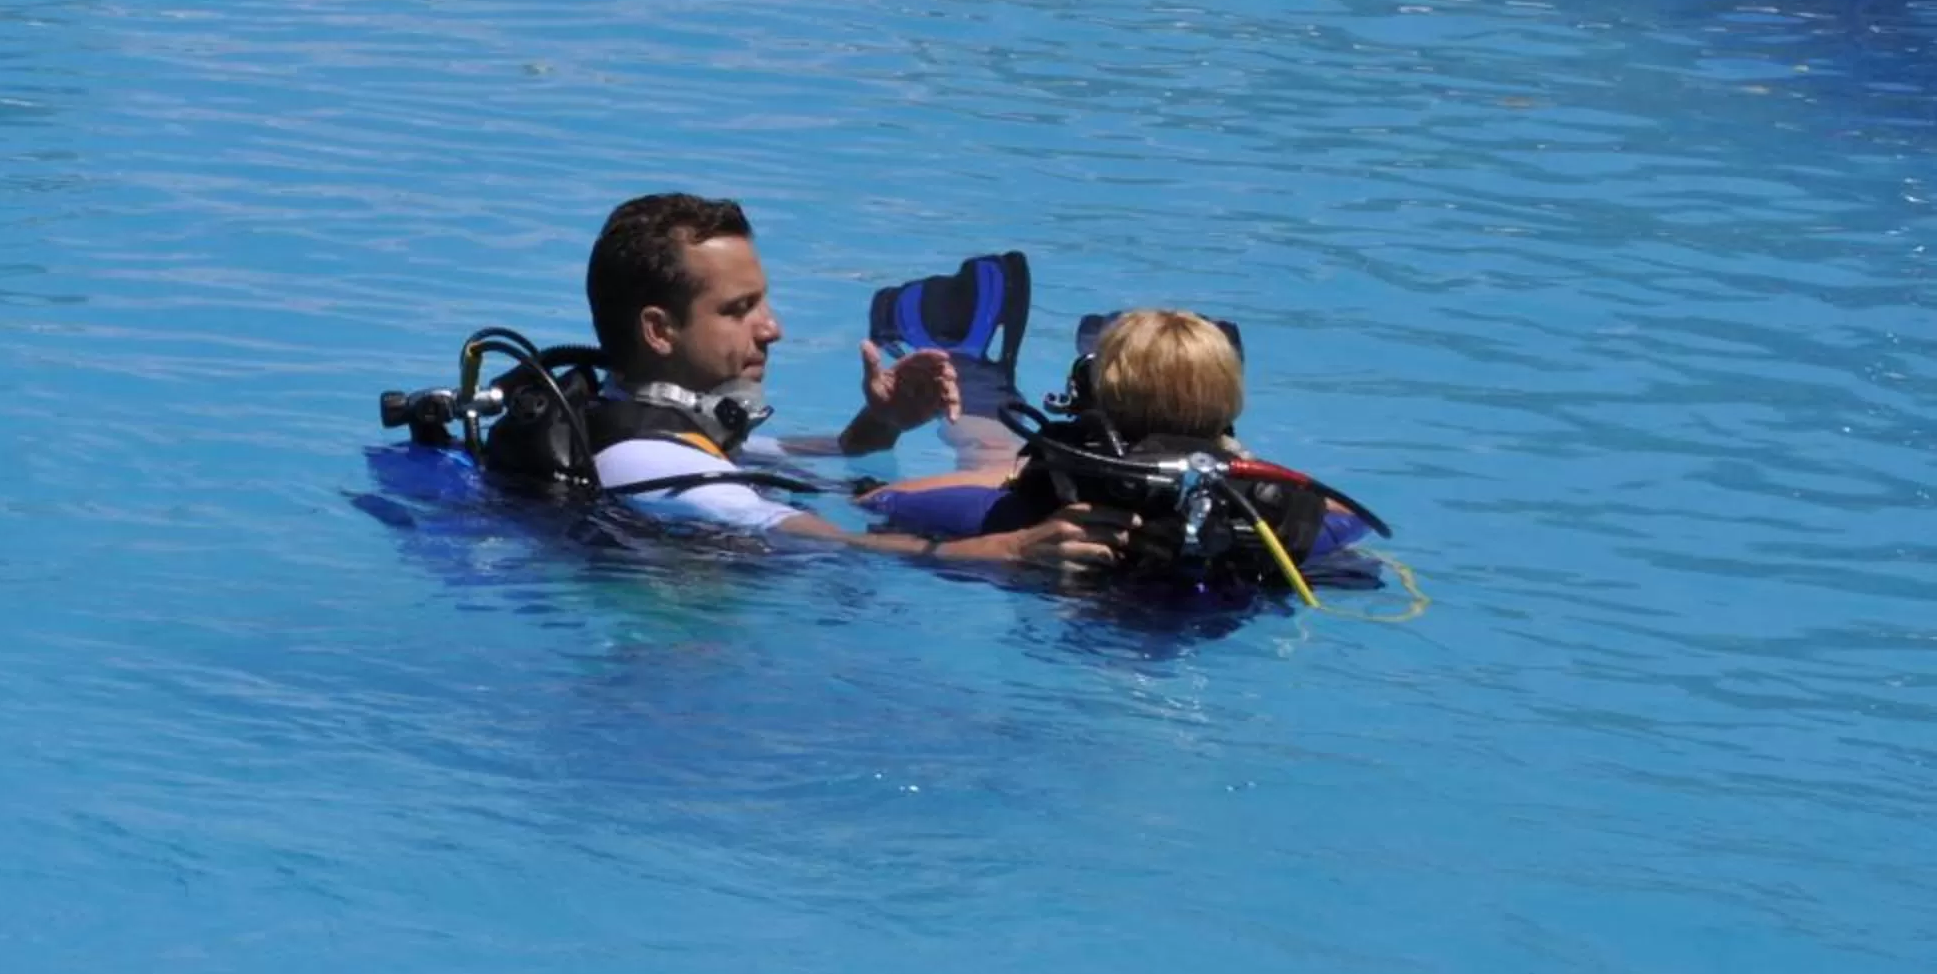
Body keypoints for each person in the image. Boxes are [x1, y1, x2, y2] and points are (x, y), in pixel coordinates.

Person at [579, 193, 1130, 571]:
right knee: (989, 482)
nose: (773, 328)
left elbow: (794, 456)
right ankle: (982, 386)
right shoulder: (652, 462)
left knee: (989, 478)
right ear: (659, 329)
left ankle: (981, 386)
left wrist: (880, 423)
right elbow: (834, 542)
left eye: (763, 301)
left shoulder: (656, 424)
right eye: (739, 309)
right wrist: (1011, 550)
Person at [862, 307, 1360, 578]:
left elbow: (879, 501)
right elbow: (1348, 517)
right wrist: (1235, 463)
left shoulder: (1025, 519)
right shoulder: (1282, 529)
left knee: (990, 453)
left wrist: (1022, 474)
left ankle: (977, 384)